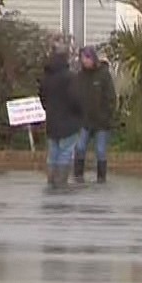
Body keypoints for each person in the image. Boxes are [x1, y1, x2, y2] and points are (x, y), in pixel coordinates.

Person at [39, 46, 85, 191]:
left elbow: (42, 98)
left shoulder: (46, 78)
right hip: (69, 122)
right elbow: (76, 99)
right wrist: (80, 114)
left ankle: (51, 179)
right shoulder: (70, 77)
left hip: (52, 122)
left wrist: (49, 109)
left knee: (53, 153)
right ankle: (61, 181)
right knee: (65, 152)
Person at [73, 46, 116, 184]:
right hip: (84, 121)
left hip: (101, 122)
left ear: (93, 58)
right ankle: (78, 175)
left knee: (100, 151)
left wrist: (106, 115)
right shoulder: (80, 76)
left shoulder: (103, 75)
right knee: (80, 147)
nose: (85, 61)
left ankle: (101, 178)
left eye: (87, 58)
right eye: (82, 58)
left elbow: (111, 98)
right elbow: (76, 96)